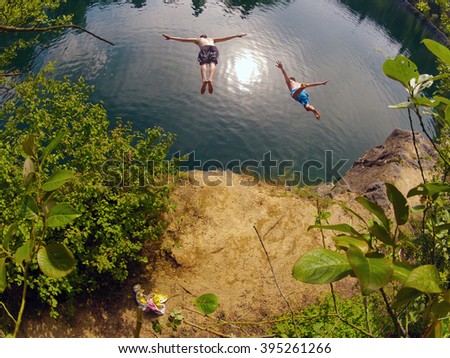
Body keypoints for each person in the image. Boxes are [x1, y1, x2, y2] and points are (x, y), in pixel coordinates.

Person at [162, 33, 247, 94]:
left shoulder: (198, 40)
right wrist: (236, 35)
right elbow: (225, 38)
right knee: (212, 63)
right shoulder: (212, 39)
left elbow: (184, 39)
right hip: (214, 48)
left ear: (201, 37)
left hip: (204, 48)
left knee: (203, 64)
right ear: (207, 37)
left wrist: (171, 38)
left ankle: (204, 79)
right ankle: (210, 79)